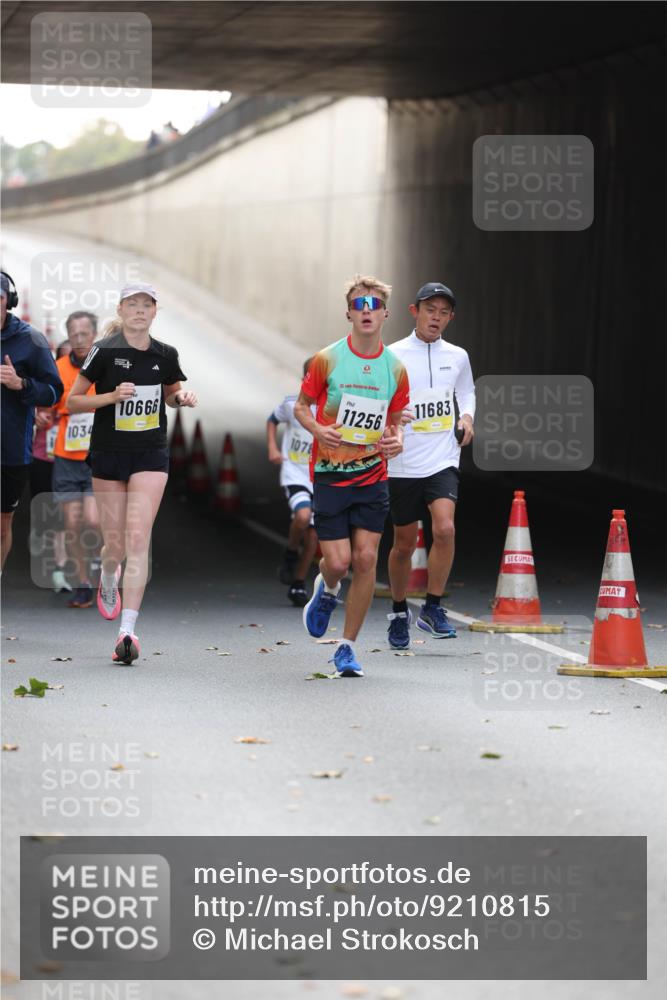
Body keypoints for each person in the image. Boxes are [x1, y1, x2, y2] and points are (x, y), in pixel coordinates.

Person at [67, 282, 197, 664]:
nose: (140, 310)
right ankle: (109, 575)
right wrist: (111, 397)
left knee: (138, 539)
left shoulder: (165, 354)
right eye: (133, 304)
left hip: (150, 454)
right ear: (121, 310)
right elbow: (73, 400)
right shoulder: (103, 352)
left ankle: (128, 631)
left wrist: (182, 398)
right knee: (117, 546)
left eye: (147, 304)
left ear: (155, 312)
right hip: (109, 455)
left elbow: (172, 392)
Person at [294, 274, 409, 678]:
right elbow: (302, 407)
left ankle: (347, 648)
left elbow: (395, 424)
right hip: (330, 473)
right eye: (359, 305)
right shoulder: (327, 359)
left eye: (373, 306)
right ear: (348, 312)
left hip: (373, 475)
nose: (366, 312)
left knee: (365, 559)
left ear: (384, 315)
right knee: (338, 562)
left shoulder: (395, 368)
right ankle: (325, 590)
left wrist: (396, 442)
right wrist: (318, 429)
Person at [386, 282, 475, 648]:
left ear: (450, 317)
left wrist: (467, 418)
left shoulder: (457, 355)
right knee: (404, 544)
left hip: (442, 457)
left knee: (445, 528)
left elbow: (466, 391)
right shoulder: (391, 355)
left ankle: (433, 608)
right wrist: (393, 419)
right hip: (403, 462)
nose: (436, 317)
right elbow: (378, 398)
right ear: (414, 311)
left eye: (443, 312)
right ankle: (398, 610)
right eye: (430, 310)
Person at [1, 270, 63, 570]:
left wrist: (21, 384)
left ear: (8, 301)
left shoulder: (31, 340)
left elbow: (54, 392)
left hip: (11, 450)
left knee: (2, 526)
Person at [52, 311, 101, 608]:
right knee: (72, 524)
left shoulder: (104, 368)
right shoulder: (57, 368)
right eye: (74, 335)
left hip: (97, 458)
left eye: (85, 334)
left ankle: (101, 563)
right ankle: (83, 582)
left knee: (94, 520)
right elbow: (48, 402)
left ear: (94, 336)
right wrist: (47, 412)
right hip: (66, 457)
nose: (79, 339)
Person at [267, 358, 318, 607]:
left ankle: (298, 584)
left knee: (314, 534)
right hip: (295, 473)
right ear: (304, 380)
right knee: (302, 517)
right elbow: (272, 420)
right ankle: (290, 551)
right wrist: (272, 447)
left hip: (320, 477)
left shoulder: (334, 408)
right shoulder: (292, 404)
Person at [29, 341, 72, 593]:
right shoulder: (48, 387)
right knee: (44, 507)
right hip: (42, 456)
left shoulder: (85, 388)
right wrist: (38, 414)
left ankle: (59, 570)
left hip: (71, 460)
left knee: (63, 518)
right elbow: (29, 403)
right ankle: (37, 529)